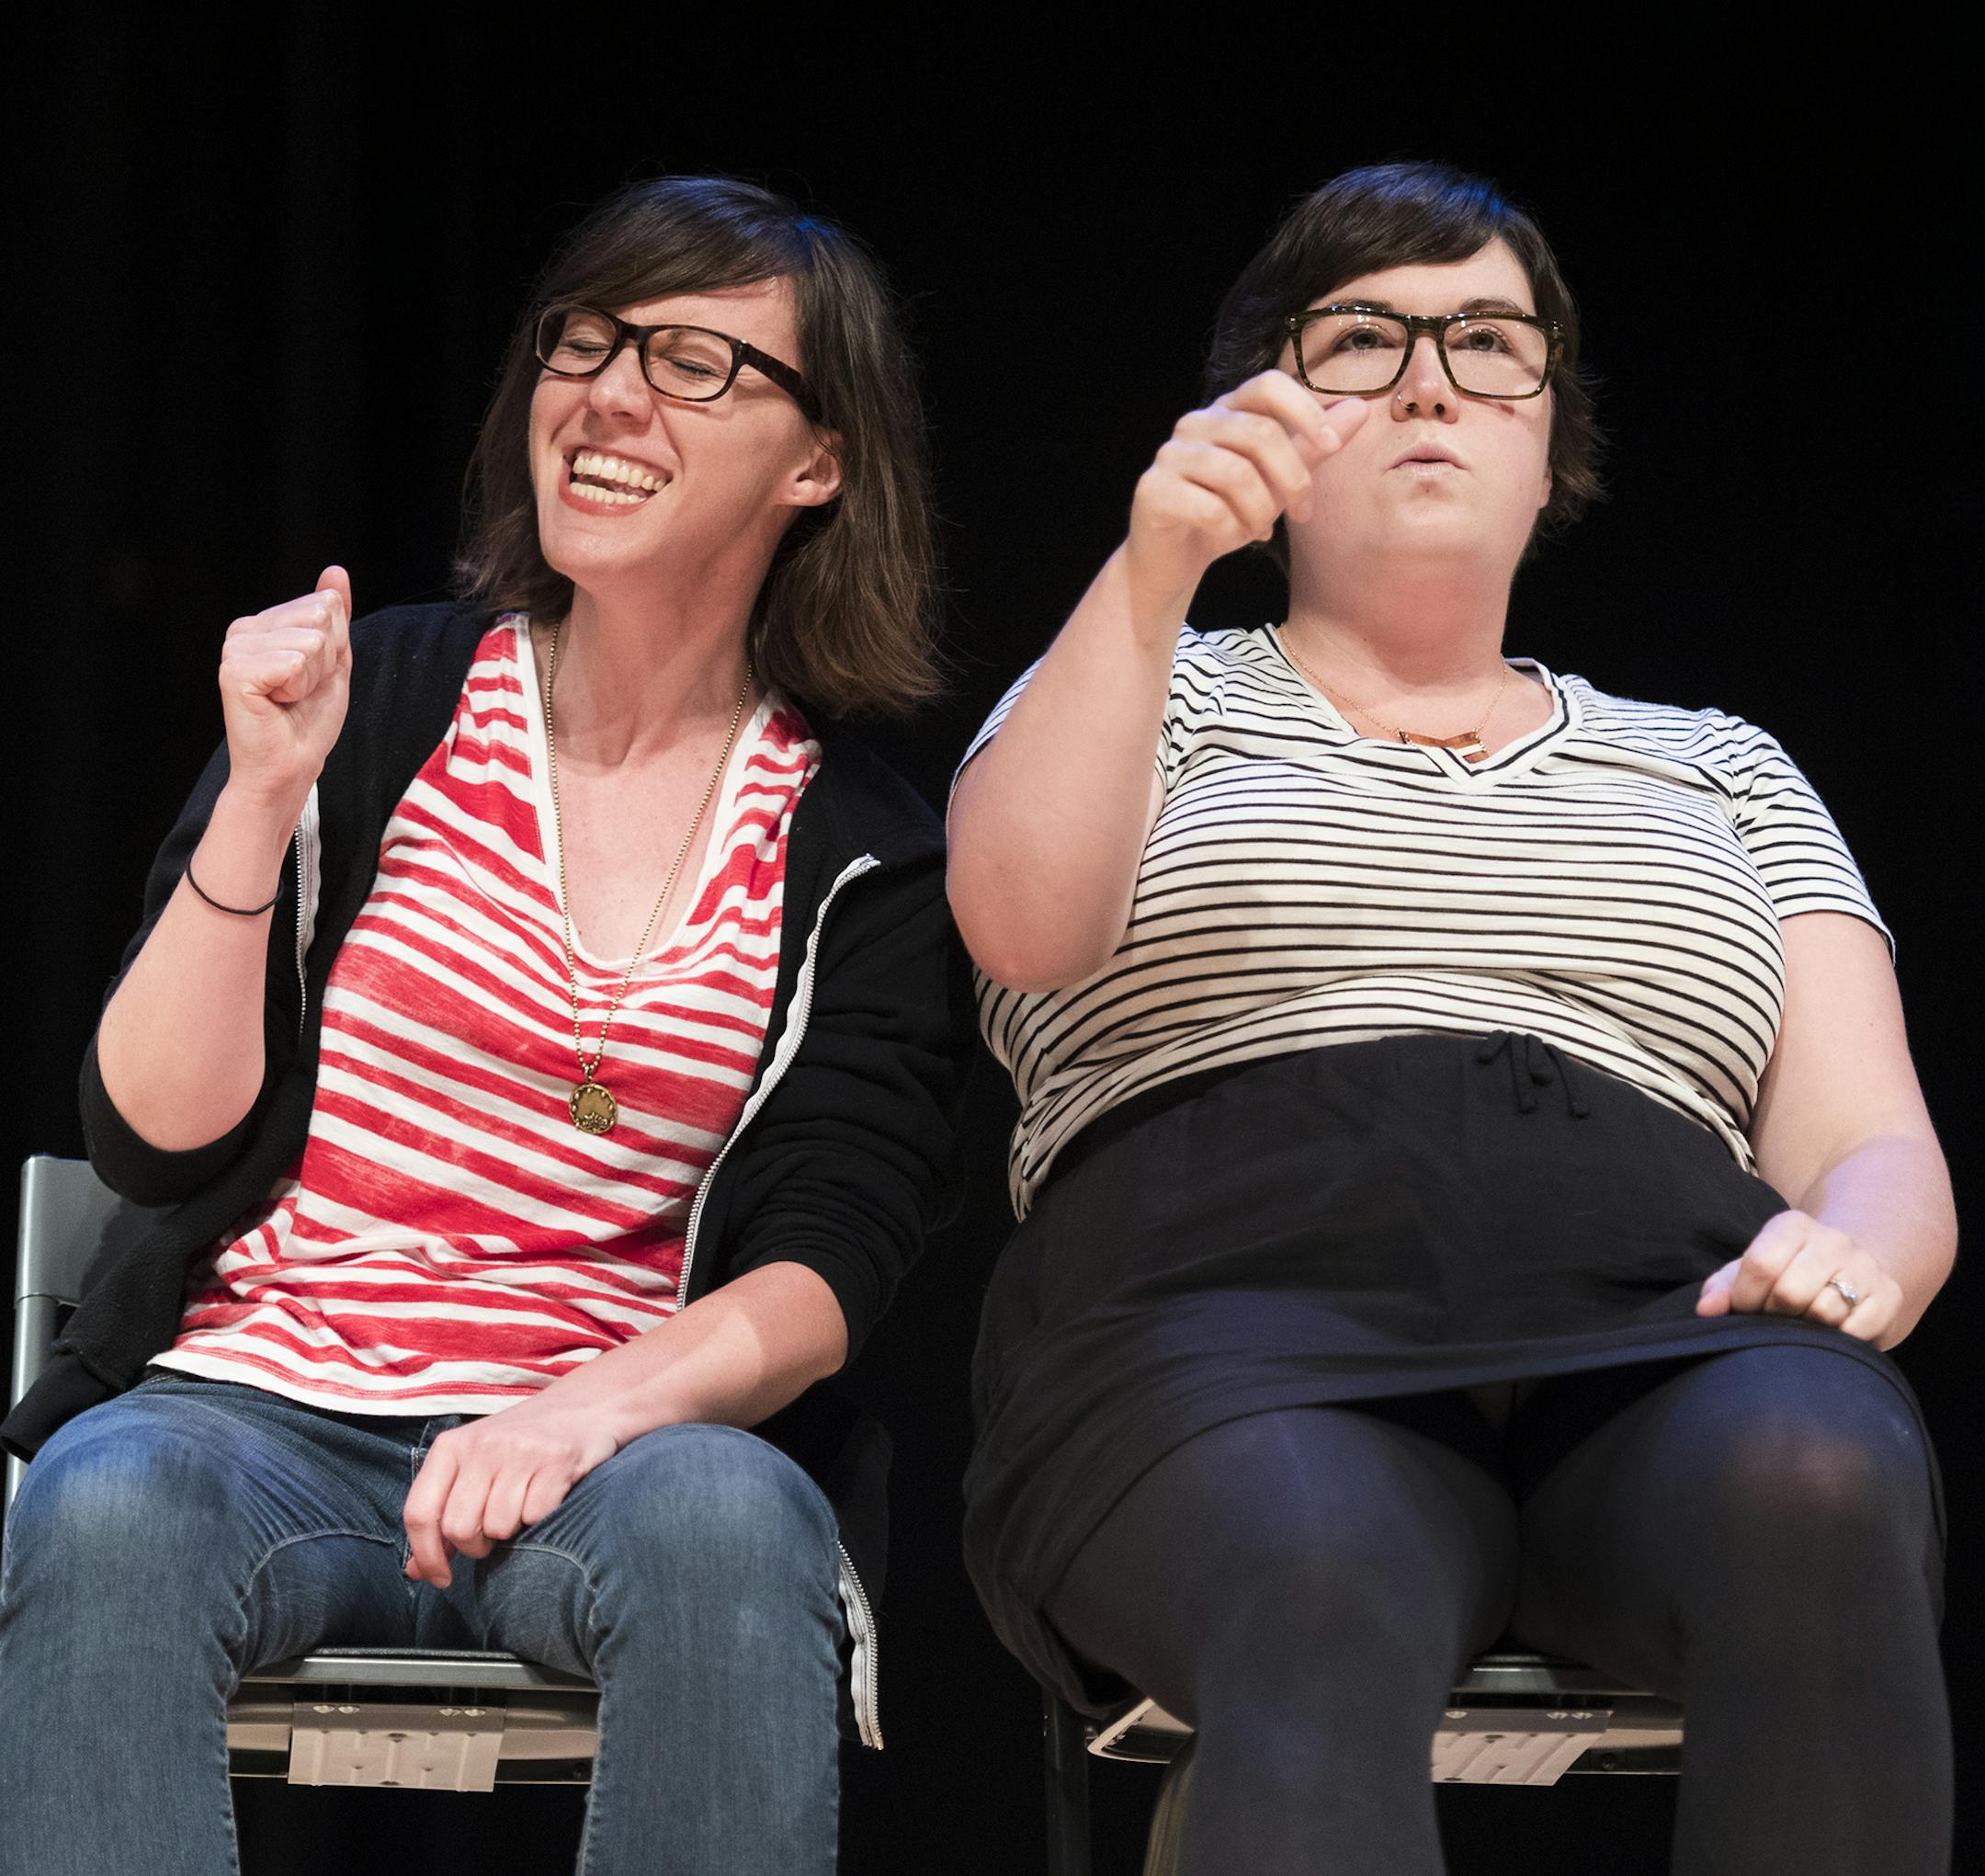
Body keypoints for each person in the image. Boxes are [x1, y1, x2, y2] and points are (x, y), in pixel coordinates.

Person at [946, 162, 1954, 1876]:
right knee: (1319, 1559)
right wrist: (1153, 565)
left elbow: (1868, 1139)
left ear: (1553, 441)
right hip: (1219, 1322)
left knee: (1819, 1469)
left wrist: (1865, 1248)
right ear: (1263, 418)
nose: (1428, 379)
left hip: (1655, 1317)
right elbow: (1026, 930)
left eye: (1490, 343)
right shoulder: (1143, 672)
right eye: (1361, 340)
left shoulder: (1721, 764)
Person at [0, 175, 973, 1876]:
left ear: (818, 462)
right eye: (581, 344)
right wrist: (259, 803)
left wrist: (581, 1412)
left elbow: (827, 1267)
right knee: (106, 1495)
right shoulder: (378, 696)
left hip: (608, 1439)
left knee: (737, 1524)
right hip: (258, 1412)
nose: (605, 396)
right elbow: (146, 1133)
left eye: (690, 362)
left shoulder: (863, 846)